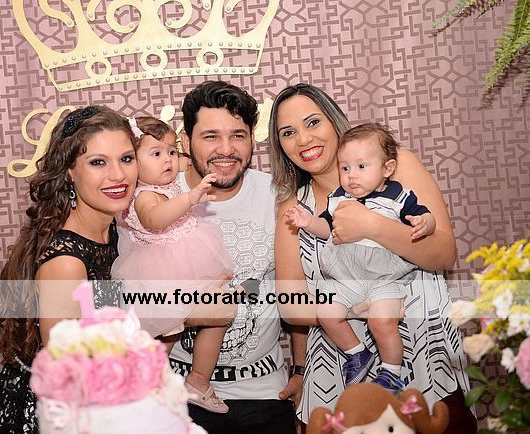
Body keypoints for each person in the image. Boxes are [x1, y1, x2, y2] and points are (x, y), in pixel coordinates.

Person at [269, 84, 476, 433]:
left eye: (313, 122)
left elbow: (443, 253)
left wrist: (373, 226)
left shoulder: (396, 168)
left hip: (424, 365)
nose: (303, 139)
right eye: (288, 133)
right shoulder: (294, 207)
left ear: (334, 121)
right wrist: (356, 307)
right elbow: (291, 305)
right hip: (337, 380)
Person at [0, 106, 138, 433]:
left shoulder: (114, 232)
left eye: (126, 158)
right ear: (69, 172)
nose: (118, 175)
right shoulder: (66, 262)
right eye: (98, 162)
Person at [168, 80, 306, 434]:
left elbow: (297, 287)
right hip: (174, 397)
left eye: (238, 135)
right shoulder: (157, 201)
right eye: (211, 136)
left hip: (266, 394)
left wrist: (301, 369)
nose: (226, 149)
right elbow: (116, 300)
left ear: (252, 140)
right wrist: (191, 314)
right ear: (186, 140)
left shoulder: (279, 196)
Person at [285, 122, 436, 392]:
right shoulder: (338, 198)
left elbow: (425, 215)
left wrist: (425, 222)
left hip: (383, 279)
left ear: (386, 169)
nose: (351, 175)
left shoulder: (398, 196)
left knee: (382, 322)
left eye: (361, 167)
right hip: (346, 278)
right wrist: (309, 222)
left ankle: (391, 372)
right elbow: (326, 228)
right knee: (326, 313)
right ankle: (357, 353)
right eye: (345, 168)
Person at [111, 116, 234, 413]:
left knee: (216, 315)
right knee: (166, 331)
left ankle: (197, 380)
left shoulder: (164, 179)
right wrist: (190, 198)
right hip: (164, 270)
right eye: (156, 153)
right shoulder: (143, 195)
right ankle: (147, 378)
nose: (168, 159)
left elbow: (189, 162)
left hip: (191, 261)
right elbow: (155, 219)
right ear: (132, 163)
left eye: (171, 151)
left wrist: (199, 162)